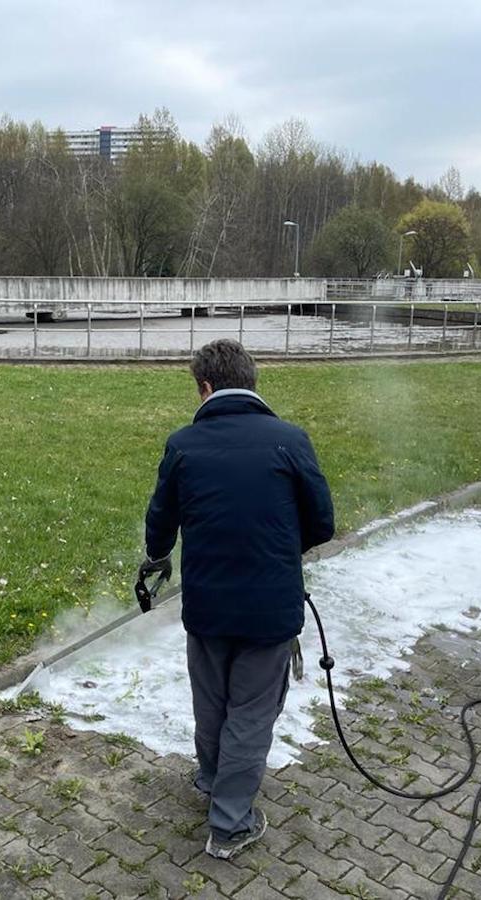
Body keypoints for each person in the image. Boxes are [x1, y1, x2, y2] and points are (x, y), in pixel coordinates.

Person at [140, 338, 335, 860]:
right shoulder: (290, 441)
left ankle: (212, 780)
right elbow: (323, 522)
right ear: (251, 384)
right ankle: (229, 822)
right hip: (269, 609)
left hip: (206, 606)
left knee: (213, 700)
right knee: (250, 709)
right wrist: (278, 553)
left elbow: (160, 523)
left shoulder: (184, 445)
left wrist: (157, 557)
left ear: (205, 388)